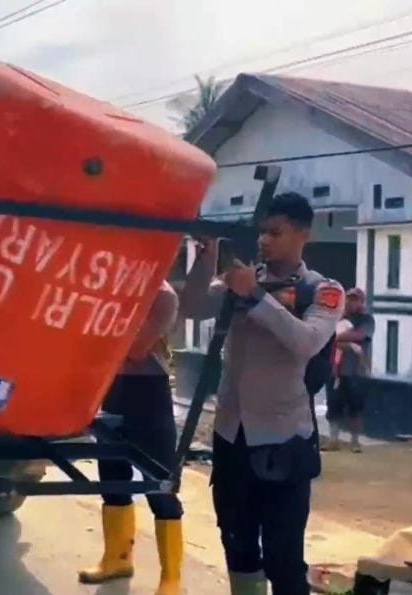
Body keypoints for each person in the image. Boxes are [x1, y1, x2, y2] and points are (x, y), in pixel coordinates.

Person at [180, 192, 344, 595]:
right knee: (237, 548)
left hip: (284, 442)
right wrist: (207, 255)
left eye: (276, 232)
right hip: (231, 437)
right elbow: (194, 305)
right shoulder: (240, 279)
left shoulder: (322, 291)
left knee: (283, 557)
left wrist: (256, 296)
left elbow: (306, 341)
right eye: (262, 232)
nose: (265, 241)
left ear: (303, 234)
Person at [78, 280, 184, 595]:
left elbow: (137, 349)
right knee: (112, 477)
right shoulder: (112, 289)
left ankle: (171, 577)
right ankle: (117, 558)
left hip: (149, 392)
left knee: (160, 483)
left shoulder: (163, 296)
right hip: (113, 387)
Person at [325, 288, 374, 453]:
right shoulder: (338, 317)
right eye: (349, 299)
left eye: (355, 299)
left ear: (362, 302)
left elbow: (360, 336)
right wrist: (348, 343)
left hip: (356, 371)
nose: (351, 302)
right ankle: (333, 440)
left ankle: (355, 441)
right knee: (333, 404)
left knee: (356, 406)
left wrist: (338, 338)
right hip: (335, 369)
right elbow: (327, 338)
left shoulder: (367, 319)